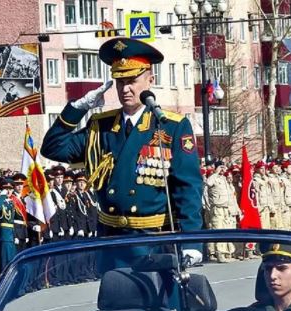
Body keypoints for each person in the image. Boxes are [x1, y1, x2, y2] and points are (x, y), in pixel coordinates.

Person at [41, 37, 203, 264]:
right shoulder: (101, 127)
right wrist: (77, 109)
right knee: (114, 288)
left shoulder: (171, 126)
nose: (125, 89)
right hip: (112, 239)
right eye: (120, 82)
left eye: (132, 81)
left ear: (150, 80)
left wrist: (191, 241)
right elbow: (53, 148)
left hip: (155, 238)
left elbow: (188, 187)